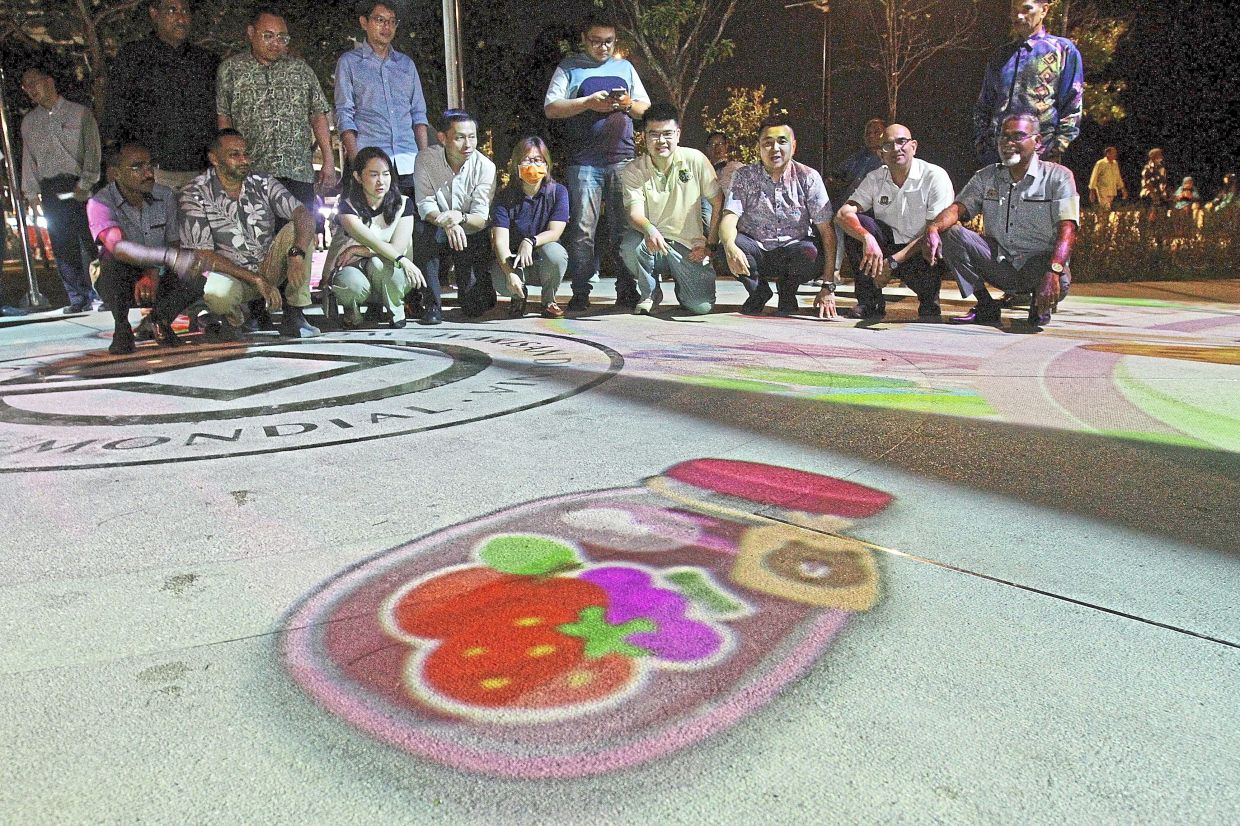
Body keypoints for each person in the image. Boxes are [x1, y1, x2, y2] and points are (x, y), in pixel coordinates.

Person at [926, 112, 1078, 327]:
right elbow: (957, 209)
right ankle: (986, 306)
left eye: (1018, 136)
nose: (1009, 143)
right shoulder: (986, 176)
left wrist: (1054, 271)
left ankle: (1039, 303)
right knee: (951, 232)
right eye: (1004, 136)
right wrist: (933, 228)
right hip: (1000, 264)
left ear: (1037, 141)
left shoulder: (1058, 176)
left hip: (1040, 266)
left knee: (1050, 285)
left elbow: (1068, 229)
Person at [544, 10, 651, 311]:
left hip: (622, 159)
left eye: (609, 42)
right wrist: (588, 103)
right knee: (582, 230)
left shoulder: (625, 67)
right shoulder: (569, 67)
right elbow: (551, 107)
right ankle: (581, 290)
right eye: (596, 41)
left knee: (624, 229)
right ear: (583, 40)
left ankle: (626, 288)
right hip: (584, 161)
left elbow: (645, 108)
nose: (603, 48)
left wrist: (628, 104)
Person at [178, 129, 319, 341]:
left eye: (245, 154)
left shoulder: (261, 181)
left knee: (299, 229)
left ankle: (295, 313)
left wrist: (296, 252)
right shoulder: (195, 193)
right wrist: (254, 278)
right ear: (214, 158)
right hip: (234, 274)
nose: (244, 160)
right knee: (217, 293)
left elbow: (302, 213)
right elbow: (203, 254)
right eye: (234, 155)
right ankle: (234, 319)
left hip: (269, 266)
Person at [216, 6, 337, 216]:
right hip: (251, 173)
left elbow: (318, 114)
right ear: (251, 33)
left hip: (297, 173)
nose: (276, 43)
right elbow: (224, 117)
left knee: (298, 240)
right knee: (256, 241)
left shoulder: (301, 70)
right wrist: (228, 163)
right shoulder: (231, 70)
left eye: (282, 37)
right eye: (268, 36)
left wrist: (328, 160)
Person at [87, 141, 205, 353]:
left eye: (150, 165)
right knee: (110, 264)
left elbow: (173, 242)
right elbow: (118, 247)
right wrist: (166, 258)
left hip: (157, 269)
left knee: (197, 273)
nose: (148, 173)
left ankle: (160, 320)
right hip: (122, 270)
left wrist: (153, 272)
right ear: (116, 173)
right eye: (137, 167)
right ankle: (121, 327)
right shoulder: (100, 203)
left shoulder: (165, 195)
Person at [833, 124, 954, 321]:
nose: (896, 148)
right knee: (859, 224)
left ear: (913, 146)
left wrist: (893, 263)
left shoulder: (934, 176)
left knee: (938, 239)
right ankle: (869, 302)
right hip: (887, 249)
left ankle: (929, 300)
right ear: (881, 154)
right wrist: (867, 238)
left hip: (921, 253)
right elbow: (842, 213)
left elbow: (936, 230)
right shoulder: (875, 177)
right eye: (888, 145)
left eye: (901, 142)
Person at [719, 116, 835, 318]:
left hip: (792, 250)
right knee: (728, 245)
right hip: (756, 250)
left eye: (782, 141)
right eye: (767, 143)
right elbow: (729, 218)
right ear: (759, 147)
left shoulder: (808, 177)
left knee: (811, 252)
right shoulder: (744, 176)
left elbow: (827, 233)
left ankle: (788, 291)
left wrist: (828, 286)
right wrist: (729, 246)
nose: (775, 148)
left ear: (794, 145)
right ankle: (758, 291)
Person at [101, 0, 219, 190]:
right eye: (172, 10)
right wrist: (114, 163)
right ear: (154, 13)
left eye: (185, 10)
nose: (181, 18)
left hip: (200, 174)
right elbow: (116, 113)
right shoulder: (133, 57)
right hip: (151, 173)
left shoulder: (207, 61)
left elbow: (217, 115)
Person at [619, 103, 719, 316]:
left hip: (688, 246)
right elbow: (634, 213)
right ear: (644, 136)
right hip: (654, 243)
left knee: (701, 307)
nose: (661, 141)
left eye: (667, 134)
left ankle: (686, 289)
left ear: (678, 134)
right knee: (630, 246)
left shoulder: (696, 160)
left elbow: (718, 201)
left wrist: (711, 244)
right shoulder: (633, 170)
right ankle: (650, 293)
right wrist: (650, 229)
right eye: (653, 134)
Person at [19, 65, 100, 313]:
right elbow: (29, 160)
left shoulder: (79, 113)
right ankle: (76, 297)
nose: (30, 90)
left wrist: (86, 183)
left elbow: (92, 151)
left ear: (49, 80)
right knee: (62, 246)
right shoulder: (29, 123)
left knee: (91, 242)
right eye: (25, 86)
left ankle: (101, 292)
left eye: (34, 82)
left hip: (80, 184)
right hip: (51, 187)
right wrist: (31, 194)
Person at [320, 146, 424, 328]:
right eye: (374, 175)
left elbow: (397, 249)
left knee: (379, 264)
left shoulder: (404, 205)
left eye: (386, 174)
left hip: (391, 269)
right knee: (350, 283)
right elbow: (372, 240)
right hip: (355, 268)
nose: (381, 181)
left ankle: (396, 308)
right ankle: (352, 311)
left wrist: (357, 249)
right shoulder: (347, 209)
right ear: (358, 177)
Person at [334, 1, 430, 196]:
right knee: (369, 226)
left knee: (413, 225)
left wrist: (424, 160)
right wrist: (357, 163)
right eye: (380, 20)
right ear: (364, 22)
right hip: (369, 166)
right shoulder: (349, 63)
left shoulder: (406, 65)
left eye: (392, 21)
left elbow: (419, 116)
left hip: (408, 164)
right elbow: (344, 115)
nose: (387, 27)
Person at [973, 0, 1084, 164]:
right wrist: (982, 143)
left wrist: (1057, 147)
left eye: (1026, 9)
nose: (1018, 16)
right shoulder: (1000, 55)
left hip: (1040, 157)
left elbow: (1073, 103)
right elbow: (984, 104)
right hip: (997, 157)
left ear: (1044, 10)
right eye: (1014, 10)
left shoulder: (1063, 51)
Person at [412, 109, 496, 324]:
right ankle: (431, 304)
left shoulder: (485, 167)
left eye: (472, 136)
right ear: (443, 138)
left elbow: (480, 216)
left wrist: (460, 218)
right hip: (437, 224)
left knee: (474, 308)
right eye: (460, 137)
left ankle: (479, 286)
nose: (468, 144)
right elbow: (424, 203)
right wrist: (447, 222)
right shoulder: (425, 159)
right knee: (421, 232)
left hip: (470, 228)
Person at [491, 137, 570, 319]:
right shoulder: (504, 197)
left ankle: (549, 300)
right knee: (499, 277)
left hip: (544, 260)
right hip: (517, 261)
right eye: (526, 160)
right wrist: (509, 273)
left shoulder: (558, 192)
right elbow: (500, 241)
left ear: (547, 164)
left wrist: (530, 241)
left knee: (556, 253)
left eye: (538, 160)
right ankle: (518, 295)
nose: (532, 165)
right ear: (516, 165)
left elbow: (555, 231)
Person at [1087, 146, 1127, 212]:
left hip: (1112, 190)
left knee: (1108, 210)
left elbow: (1118, 177)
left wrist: (1123, 188)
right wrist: (1092, 191)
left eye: (1115, 153)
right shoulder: (1100, 163)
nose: (1115, 154)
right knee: (1106, 209)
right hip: (1103, 190)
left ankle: (1104, 221)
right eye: (1113, 153)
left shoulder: (1115, 163)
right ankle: (1103, 221)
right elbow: (1094, 176)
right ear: (1108, 154)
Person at [1139, 148, 1170, 222]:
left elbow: (1163, 182)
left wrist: (1163, 194)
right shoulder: (1147, 168)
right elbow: (1146, 183)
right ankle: (1150, 220)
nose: (1161, 157)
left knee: (1167, 205)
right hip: (1149, 192)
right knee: (1153, 203)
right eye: (1159, 155)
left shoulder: (1162, 168)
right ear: (1153, 157)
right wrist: (1153, 193)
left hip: (1159, 192)